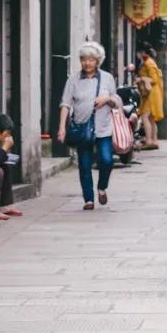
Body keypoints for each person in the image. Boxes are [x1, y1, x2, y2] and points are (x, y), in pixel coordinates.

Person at [57, 41, 123, 210]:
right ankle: (88, 199)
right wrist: (62, 128)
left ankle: (102, 187)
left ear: (97, 61)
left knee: (106, 160)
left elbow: (117, 102)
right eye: (84, 59)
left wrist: (107, 99)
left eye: (91, 60)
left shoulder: (107, 78)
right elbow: (65, 104)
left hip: (103, 128)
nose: (87, 63)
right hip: (82, 128)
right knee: (84, 165)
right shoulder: (73, 80)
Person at [136, 46, 164, 150]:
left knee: (144, 117)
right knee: (151, 119)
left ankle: (149, 141)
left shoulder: (149, 63)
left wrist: (140, 79)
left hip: (151, 94)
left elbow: (154, 79)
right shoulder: (148, 62)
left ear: (143, 52)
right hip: (152, 93)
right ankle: (154, 140)